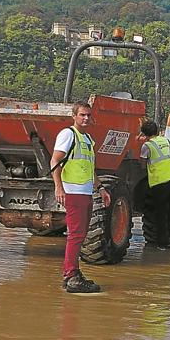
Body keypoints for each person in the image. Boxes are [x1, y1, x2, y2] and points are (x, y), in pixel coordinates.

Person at [50, 101, 111, 294]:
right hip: (73, 192)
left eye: (88, 115)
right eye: (82, 115)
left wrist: (101, 188)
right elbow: (55, 160)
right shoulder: (69, 134)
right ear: (74, 116)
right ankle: (71, 275)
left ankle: (72, 273)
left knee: (81, 234)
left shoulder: (87, 140)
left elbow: (89, 169)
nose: (86, 118)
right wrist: (59, 188)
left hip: (85, 192)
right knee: (76, 235)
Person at [139, 119, 170, 249]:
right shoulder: (166, 141)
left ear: (144, 134)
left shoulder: (147, 146)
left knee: (160, 215)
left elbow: (143, 165)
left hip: (160, 184)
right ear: (157, 130)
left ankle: (162, 244)